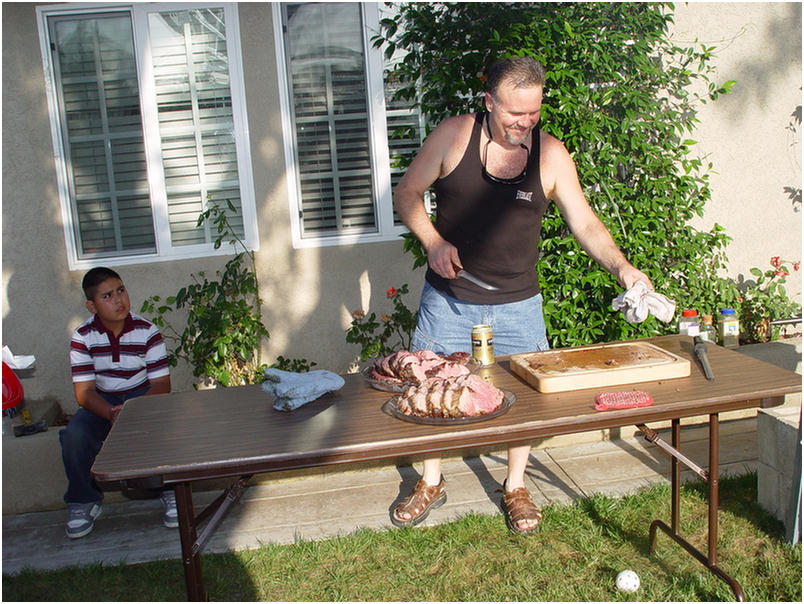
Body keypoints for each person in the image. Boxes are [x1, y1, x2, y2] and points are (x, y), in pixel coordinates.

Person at [392, 57, 653, 535]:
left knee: (525, 401)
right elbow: (407, 193)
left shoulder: (550, 155)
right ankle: (431, 479)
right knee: (428, 390)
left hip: (518, 305)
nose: (525, 123)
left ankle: (514, 486)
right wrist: (433, 243)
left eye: (534, 113)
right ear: (488, 101)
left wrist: (623, 267)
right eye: (515, 114)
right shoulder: (455, 136)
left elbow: (586, 223)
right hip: (449, 299)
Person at [60, 267, 173, 539]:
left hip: (144, 396)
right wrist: (111, 412)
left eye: (121, 290)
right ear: (92, 305)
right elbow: (84, 392)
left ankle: (172, 492)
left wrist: (132, 409)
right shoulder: (83, 337)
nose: (118, 300)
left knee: (168, 430)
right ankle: (84, 501)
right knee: (75, 435)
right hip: (102, 402)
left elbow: (161, 385)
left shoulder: (147, 330)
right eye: (107, 296)